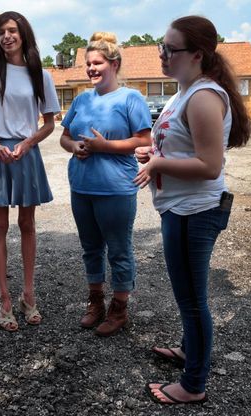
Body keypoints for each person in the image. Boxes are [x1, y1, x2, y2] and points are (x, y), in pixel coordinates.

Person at [134, 16, 251, 405]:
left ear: (197, 54)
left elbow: (210, 166)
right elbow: (185, 148)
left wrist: (158, 165)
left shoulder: (203, 97)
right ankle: (190, 350)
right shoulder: (182, 91)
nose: (163, 54)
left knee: (192, 300)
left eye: (171, 48)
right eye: (161, 46)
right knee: (188, 295)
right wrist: (155, 153)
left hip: (194, 212)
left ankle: (193, 384)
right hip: (181, 209)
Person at [0, 11, 60, 332]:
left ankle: (28, 294)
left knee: (27, 224)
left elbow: (49, 123)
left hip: (26, 153)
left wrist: (28, 142)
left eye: (12, 30)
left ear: (23, 35)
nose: (7, 36)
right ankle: (4, 297)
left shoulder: (40, 75)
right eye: (1, 32)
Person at [60, 32, 151, 337]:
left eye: (97, 63)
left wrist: (104, 147)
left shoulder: (131, 98)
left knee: (119, 250)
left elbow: (143, 140)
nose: (91, 69)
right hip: (82, 186)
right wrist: (75, 147)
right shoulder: (82, 99)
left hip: (116, 188)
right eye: (88, 64)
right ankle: (96, 302)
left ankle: (119, 308)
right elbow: (64, 136)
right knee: (90, 249)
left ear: (114, 64)